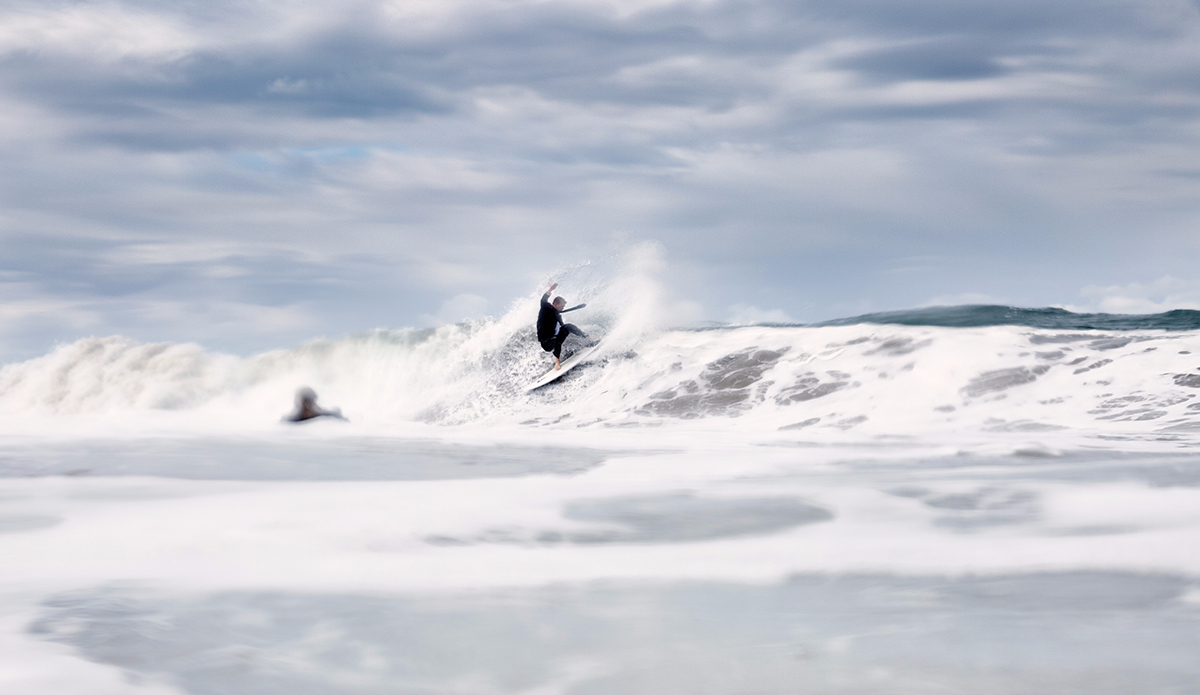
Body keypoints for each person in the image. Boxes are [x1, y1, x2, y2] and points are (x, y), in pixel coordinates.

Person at [536, 283, 591, 370]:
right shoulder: (546, 307)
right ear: (555, 304)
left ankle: (587, 338)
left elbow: (563, 327)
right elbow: (543, 300)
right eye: (562, 306)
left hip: (554, 337)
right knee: (555, 340)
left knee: (568, 327)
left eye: (563, 306)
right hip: (546, 342)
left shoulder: (557, 315)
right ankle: (557, 361)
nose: (563, 308)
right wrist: (550, 290)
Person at [282, 386, 347, 422]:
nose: (307, 406)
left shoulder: (323, 414)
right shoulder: (292, 419)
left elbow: (337, 415)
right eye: (304, 402)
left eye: (309, 402)